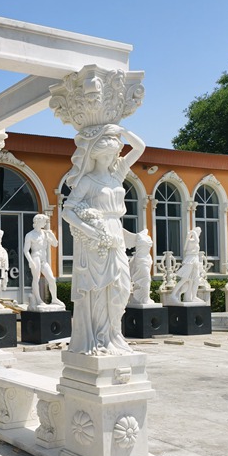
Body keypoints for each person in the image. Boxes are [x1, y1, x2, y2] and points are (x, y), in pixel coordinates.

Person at [61, 124, 145, 355]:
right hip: (96, 238)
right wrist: (90, 231)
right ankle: (100, 338)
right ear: (95, 155)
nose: (111, 158)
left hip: (115, 232)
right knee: (99, 290)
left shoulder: (117, 174)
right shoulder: (87, 181)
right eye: (106, 154)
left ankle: (114, 335)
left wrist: (122, 131)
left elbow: (140, 148)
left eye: (114, 154)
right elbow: (66, 211)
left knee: (122, 286)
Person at [23, 214, 65, 311]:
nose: (46, 223)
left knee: (51, 279)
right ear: (38, 221)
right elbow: (26, 250)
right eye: (44, 221)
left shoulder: (45, 233)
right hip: (35, 257)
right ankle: (38, 299)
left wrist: (52, 235)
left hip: (44, 259)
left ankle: (54, 298)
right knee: (36, 278)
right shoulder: (30, 235)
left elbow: (55, 244)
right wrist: (30, 261)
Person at [166, 227, 204, 305]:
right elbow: (196, 241)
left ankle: (192, 297)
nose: (199, 234)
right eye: (199, 233)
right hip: (190, 260)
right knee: (185, 279)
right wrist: (193, 233)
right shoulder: (191, 241)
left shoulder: (192, 241)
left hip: (195, 261)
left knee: (195, 280)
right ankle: (173, 295)